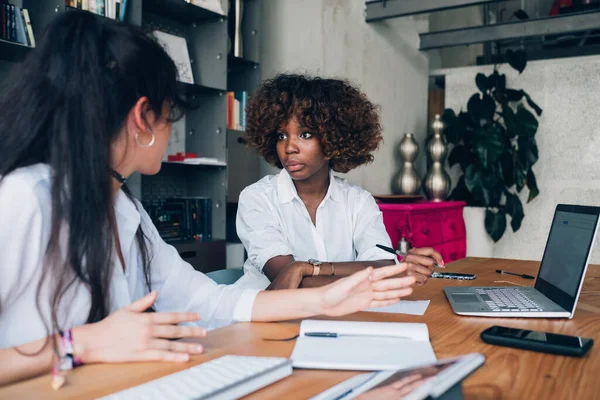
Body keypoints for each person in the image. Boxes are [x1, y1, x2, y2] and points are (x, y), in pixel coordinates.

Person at [0, 12, 417, 387]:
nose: (170, 131)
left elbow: (209, 300)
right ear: (142, 119)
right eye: (171, 114)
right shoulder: (25, 199)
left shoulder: (127, 210)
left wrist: (328, 298)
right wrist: (80, 343)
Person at [236, 74, 444, 290]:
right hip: (267, 318)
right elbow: (291, 282)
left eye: (305, 134)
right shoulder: (257, 199)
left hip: (339, 318)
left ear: (332, 139)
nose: (289, 147)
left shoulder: (358, 201)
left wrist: (311, 268)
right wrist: (376, 274)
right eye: (281, 136)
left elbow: (382, 264)